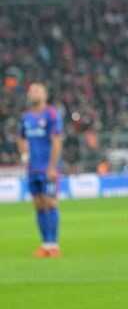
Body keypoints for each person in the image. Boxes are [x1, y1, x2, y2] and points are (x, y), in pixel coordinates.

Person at [17, 83, 64, 258]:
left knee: (50, 203)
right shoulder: (26, 117)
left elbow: (57, 141)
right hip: (33, 168)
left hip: (47, 167)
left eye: (37, 91)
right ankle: (45, 245)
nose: (33, 93)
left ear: (45, 95)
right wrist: (24, 155)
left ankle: (54, 245)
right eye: (31, 91)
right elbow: (20, 138)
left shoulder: (51, 114)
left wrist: (52, 166)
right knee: (38, 204)